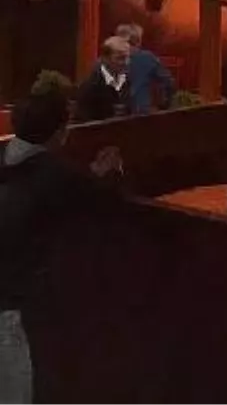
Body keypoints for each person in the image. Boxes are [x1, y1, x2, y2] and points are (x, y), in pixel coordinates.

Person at [0, 90, 123, 404]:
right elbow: (98, 202)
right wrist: (107, 173)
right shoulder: (55, 174)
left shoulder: (8, 160)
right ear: (59, 133)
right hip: (15, 308)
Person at [115, 23, 175, 114]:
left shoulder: (109, 60)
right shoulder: (147, 58)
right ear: (138, 41)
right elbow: (169, 83)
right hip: (141, 114)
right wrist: (164, 106)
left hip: (115, 116)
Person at [75, 36, 133, 122]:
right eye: (120, 58)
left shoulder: (128, 79)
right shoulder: (90, 85)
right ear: (105, 59)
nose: (126, 63)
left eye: (128, 57)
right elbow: (82, 123)